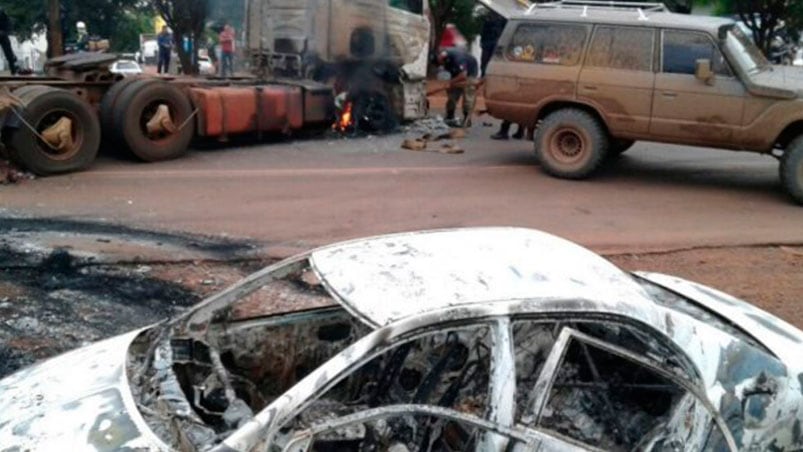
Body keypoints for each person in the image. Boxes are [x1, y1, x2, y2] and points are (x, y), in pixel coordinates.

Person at [436, 48, 478, 128]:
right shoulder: (444, 56)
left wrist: (450, 82)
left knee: (468, 95)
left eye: (441, 63)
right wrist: (450, 85)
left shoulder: (458, 58)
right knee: (452, 94)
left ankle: (467, 119)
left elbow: (463, 75)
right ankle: (449, 116)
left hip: (469, 73)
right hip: (456, 73)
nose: (441, 65)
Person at [0, 8, 17, 75]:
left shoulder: (3, 15)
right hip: (3, 34)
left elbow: (9, 24)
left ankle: (13, 70)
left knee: (9, 53)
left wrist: (4, 32)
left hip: (3, 36)